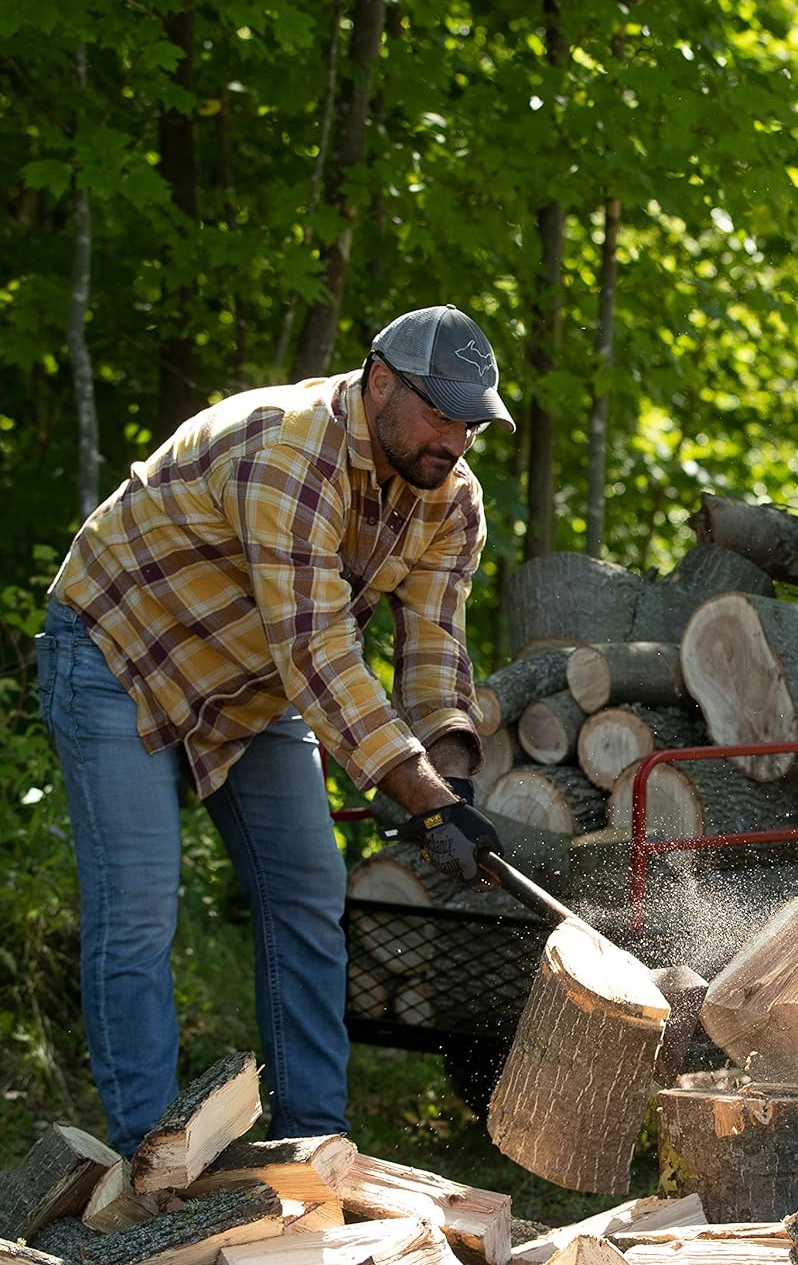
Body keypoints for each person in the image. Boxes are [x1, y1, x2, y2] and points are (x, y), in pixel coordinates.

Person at [36, 304, 510, 1156]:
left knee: (307, 893)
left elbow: (434, 646)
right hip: (121, 650)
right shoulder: (289, 449)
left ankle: (315, 1151)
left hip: (252, 680)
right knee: (141, 908)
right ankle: (151, 1166)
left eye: (469, 421)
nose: (455, 439)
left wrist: (452, 783)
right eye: (439, 413)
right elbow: (321, 655)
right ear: (378, 383)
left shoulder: (452, 499)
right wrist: (418, 795)